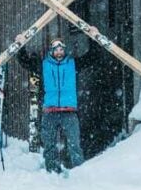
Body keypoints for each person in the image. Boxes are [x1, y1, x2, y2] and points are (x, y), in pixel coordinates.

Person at [15, 30, 101, 173]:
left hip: (69, 112)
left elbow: (93, 57)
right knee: (49, 145)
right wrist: (21, 44)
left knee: (74, 144)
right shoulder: (43, 65)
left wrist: (93, 38)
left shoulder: (73, 64)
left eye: (61, 49)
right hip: (50, 112)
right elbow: (25, 62)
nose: (59, 52)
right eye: (56, 50)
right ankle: (52, 172)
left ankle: (80, 174)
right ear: (52, 51)